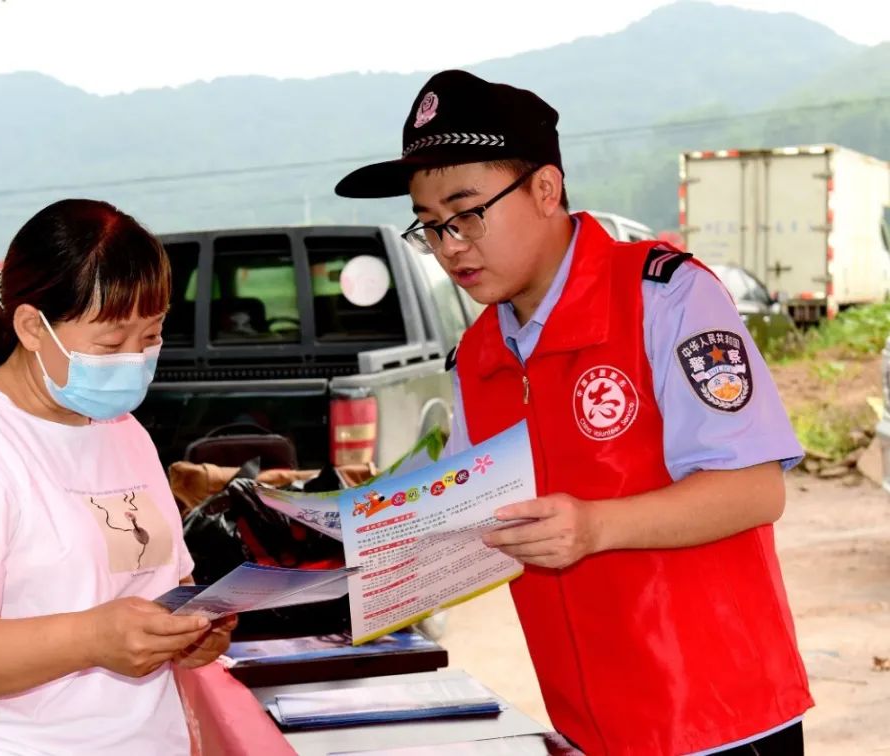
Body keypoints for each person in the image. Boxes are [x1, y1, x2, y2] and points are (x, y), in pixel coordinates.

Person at [335, 70, 812, 755]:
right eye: (430, 225)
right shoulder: (479, 353)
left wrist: (594, 526)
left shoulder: (664, 299)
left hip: (719, 721)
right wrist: (319, 562)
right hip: (588, 725)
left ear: (545, 189)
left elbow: (755, 489)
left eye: (467, 213)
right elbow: (465, 528)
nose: (449, 246)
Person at [0, 199, 236, 756]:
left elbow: (152, 583)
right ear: (31, 326)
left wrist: (189, 631)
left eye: (151, 336)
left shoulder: (121, 429)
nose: (135, 359)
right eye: (111, 342)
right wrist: (92, 639)